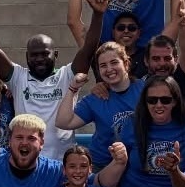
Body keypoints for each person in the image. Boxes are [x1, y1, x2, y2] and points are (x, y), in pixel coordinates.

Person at [0, 0, 98, 162]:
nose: (39, 59)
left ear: (55, 54)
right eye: (34, 55)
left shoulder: (66, 76)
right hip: (26, 163)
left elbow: (89, 49)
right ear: (26, 57)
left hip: (61, 165)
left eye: (44, 54)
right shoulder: (18, 78)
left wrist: (98, 14)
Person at [55, 42, 143, 173]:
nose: (109, 69)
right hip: (103, 166)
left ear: (126, 63)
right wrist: (73, 88)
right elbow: (63, 122)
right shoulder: (96, 99)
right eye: (103, 65)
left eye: (114, 62)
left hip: (137, 165)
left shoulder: (144, 90)